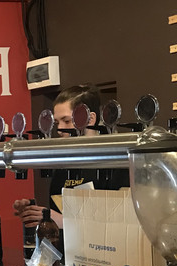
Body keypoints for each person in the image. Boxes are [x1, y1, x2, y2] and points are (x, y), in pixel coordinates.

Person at [13, 83, 128, 230]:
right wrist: (35, 212)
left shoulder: (115, 161)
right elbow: (58, 214)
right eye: (57, 122)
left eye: (66, 121)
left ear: (90, 119)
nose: (60, 129)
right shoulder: (65, 162)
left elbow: (119, 225)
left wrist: (62, 221)